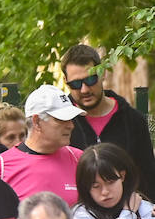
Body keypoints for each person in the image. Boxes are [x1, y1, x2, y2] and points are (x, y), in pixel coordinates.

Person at [0, 84, 85, 219]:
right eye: (62, 120)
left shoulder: (80, 159)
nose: (71, 126)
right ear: (37, 121)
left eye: (71, 119)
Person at [63, 44, 155, 201]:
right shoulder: (61, 121)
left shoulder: (133, 121)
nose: (84, 89)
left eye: (90, 79)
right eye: (76, 84)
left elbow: (148, 177)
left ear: (103, 73)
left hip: (129, 214)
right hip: (77, 217)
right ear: (66, 82)